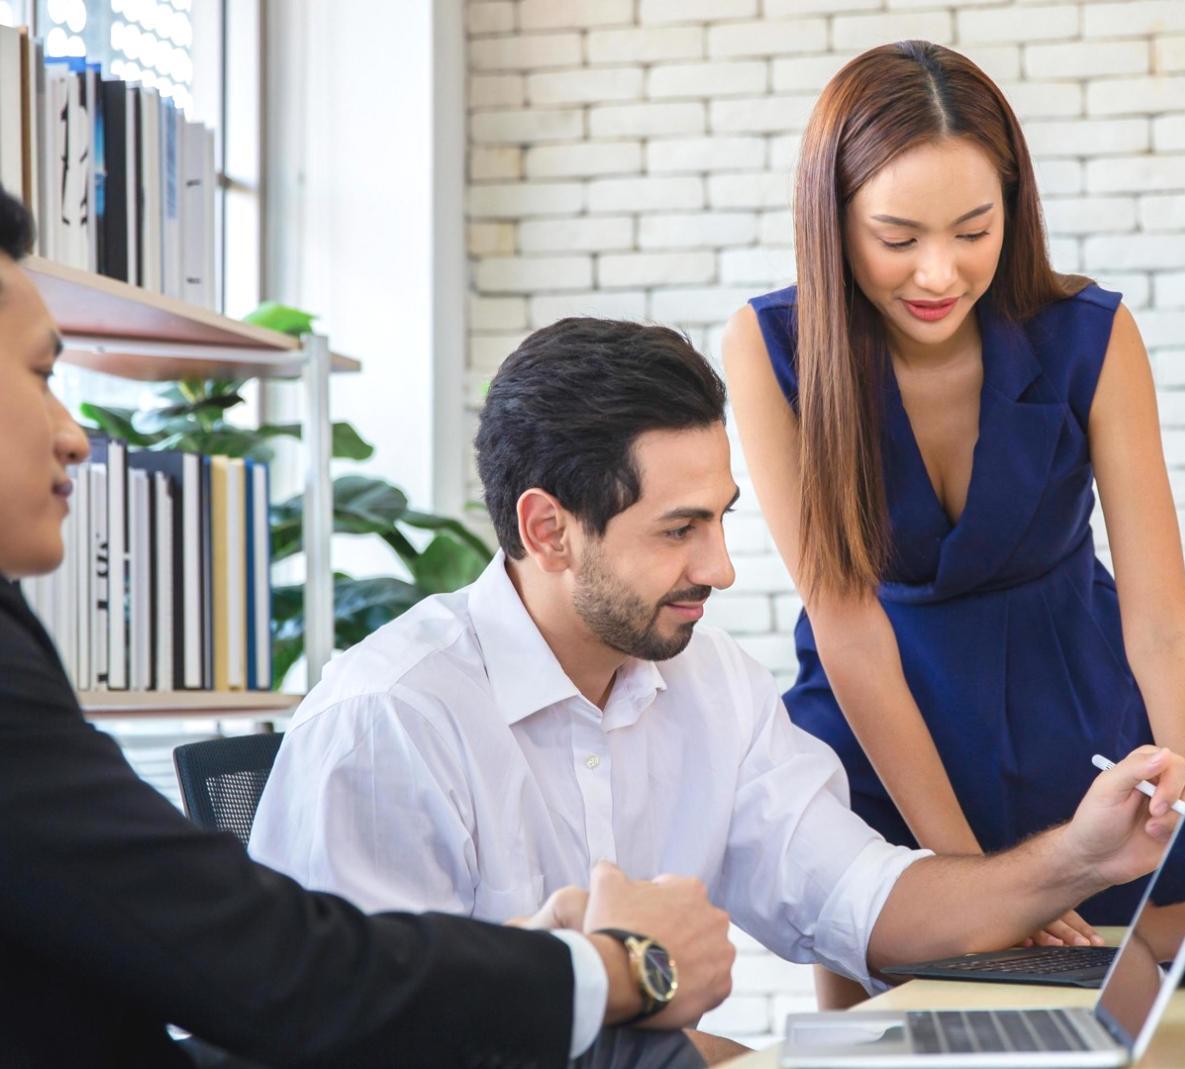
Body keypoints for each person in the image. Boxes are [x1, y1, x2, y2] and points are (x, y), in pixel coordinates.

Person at [248, 314, 1185, 1056]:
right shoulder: (390, 721)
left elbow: (865, 900)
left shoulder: (710, 684)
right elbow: (367, 1037)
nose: (723, 566)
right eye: (678, 529)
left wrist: (1080, 853)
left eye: (722, 519)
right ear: (548, 530)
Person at [0, 185, 732, 1069]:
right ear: (549, 530)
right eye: (42, 375)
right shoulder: (388, 706)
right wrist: (623, 966)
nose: (74, 435)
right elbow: (281, 977)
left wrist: (560, 971)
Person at [721, 41, 1185, 1006]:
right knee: (901, 1028)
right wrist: (986, 890)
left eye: (974, 230)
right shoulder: (771, 348)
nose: (940, 273)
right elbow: (850, 625)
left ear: (1013, 208)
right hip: (883, 727)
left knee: (1141, 1011)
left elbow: (1162, 621)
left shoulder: (1091, 334)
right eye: (897, 237)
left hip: (1073, 720)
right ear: (832, 223)